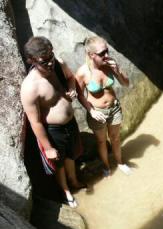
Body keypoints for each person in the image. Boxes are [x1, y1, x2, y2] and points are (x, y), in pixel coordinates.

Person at [20, 36, 85, 208]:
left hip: (70, 123)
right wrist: (48, 147)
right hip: (52, 130)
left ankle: (74, 181)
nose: (50, 63)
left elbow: (71, 78)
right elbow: (35, 122)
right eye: (44, 61)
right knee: (59, 163)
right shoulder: (30, 87)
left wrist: (71, 90)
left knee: (71, 155)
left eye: (51, 57)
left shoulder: (57, 63)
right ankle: (66, 192)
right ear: (31, 60)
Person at [75, 36, 130, 177]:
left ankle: (120, 163)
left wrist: (117, 70)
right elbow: (79, 95)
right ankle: (106, 167)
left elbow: (126, 83)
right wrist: (91, 111)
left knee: (116, 138)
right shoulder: (83, 72)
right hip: (97, 112)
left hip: (114, 108)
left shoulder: (109, 65)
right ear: (91, 55)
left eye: (107, 51)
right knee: (101, 141)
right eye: (102, 53)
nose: (106, 55)